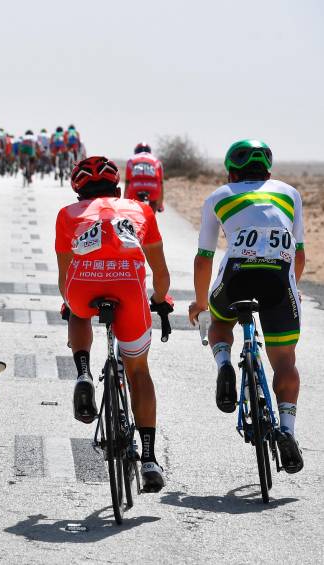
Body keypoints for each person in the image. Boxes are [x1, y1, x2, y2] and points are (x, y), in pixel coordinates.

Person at [55, 156, 172, 492]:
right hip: (130, 291)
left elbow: (64, 276)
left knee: (76, 310)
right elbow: (160, 275)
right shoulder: (141, 210)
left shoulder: (67, 215)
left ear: (77, 191)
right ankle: (148, 459)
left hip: (83, 287)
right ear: (119, 189)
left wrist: (69, 300)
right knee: (138, 373)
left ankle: (83, 373)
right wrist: (161, 299)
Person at [188, 139, 305, 474]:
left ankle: (224, 363)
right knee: (284, 361)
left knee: (221, 322)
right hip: (280, 283)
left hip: (236, 278)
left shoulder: (219, 196)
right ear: (268, 170)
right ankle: (286, 429)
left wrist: (199, 304)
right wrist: (287, 291)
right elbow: (299, 256)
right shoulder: (289, 193)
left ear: (230, 172)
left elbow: (204, 258)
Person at [124, 142, 165, 212]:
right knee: (153, 202)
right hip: (153, 186)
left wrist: (125, 200)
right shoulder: (156, 160)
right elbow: (161, 183)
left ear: (136, 151)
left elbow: (127, 181)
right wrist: (160, 204)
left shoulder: (131, 160)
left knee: (133, 207)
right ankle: (152, 219)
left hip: (135, 186)